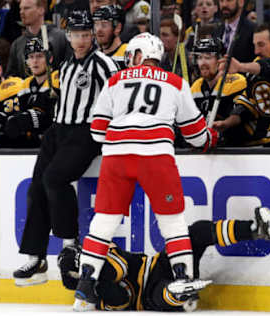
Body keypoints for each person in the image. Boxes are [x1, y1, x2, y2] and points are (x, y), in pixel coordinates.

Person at [72, 32, 219, 311]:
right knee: (172, 222)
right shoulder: (176, 82)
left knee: (104, 222)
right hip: (155, 155)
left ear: (137, 55)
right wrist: (211, 138)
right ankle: (183, 282)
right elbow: (195, 135)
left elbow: (97, 130)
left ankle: (85, 287)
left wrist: (123, 135)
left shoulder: (115, 80)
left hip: (116, 155)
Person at [12, 10, 118, 287]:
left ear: (92, 35)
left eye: (85, 34)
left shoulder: (104, 64)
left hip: (87, 132)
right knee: (37, 187)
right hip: (59, 130)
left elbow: (120, 96)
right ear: (68, 37)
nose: (81, 40)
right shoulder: (67, 67)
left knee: (55, 179)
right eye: (75, 35)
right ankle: (37, 257)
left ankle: (70, 244)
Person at [59, 207, 270, 311]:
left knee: (194, 234)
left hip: (159, 264)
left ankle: (255, 229)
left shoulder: (101, 251)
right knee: (162, 295)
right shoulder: (94, 296)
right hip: (149, 296)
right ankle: (179, 293)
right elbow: (122, 300)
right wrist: (97, 285)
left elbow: (122, 267)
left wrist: (94, 277)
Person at [191, 37, 259, 146]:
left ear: (220, 60)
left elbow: (242, 113)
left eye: (208, 57)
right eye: (199, 57)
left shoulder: (236, 81)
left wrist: (225, 124)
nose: (202, 63)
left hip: (239, 149)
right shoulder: (196, 86)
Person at [5, 37, 59, 141]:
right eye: (31, 57)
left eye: (39, 56)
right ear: (26, 61)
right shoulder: (25, 84)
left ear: (50, 58)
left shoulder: (58, 78)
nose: (35, 61)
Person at [6, 0, 71, 78]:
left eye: (26, 8)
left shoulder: (61, 37)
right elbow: (11, 76)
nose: (21, 12)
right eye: (20, 9)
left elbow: (71, 67)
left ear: (41, 10)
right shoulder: (17, 44)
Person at [93, 5, 128, 69]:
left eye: (104, 25)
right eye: (96, 24)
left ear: (118, 28)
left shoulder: (128, 52)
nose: (99, 30)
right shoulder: (93, 55)